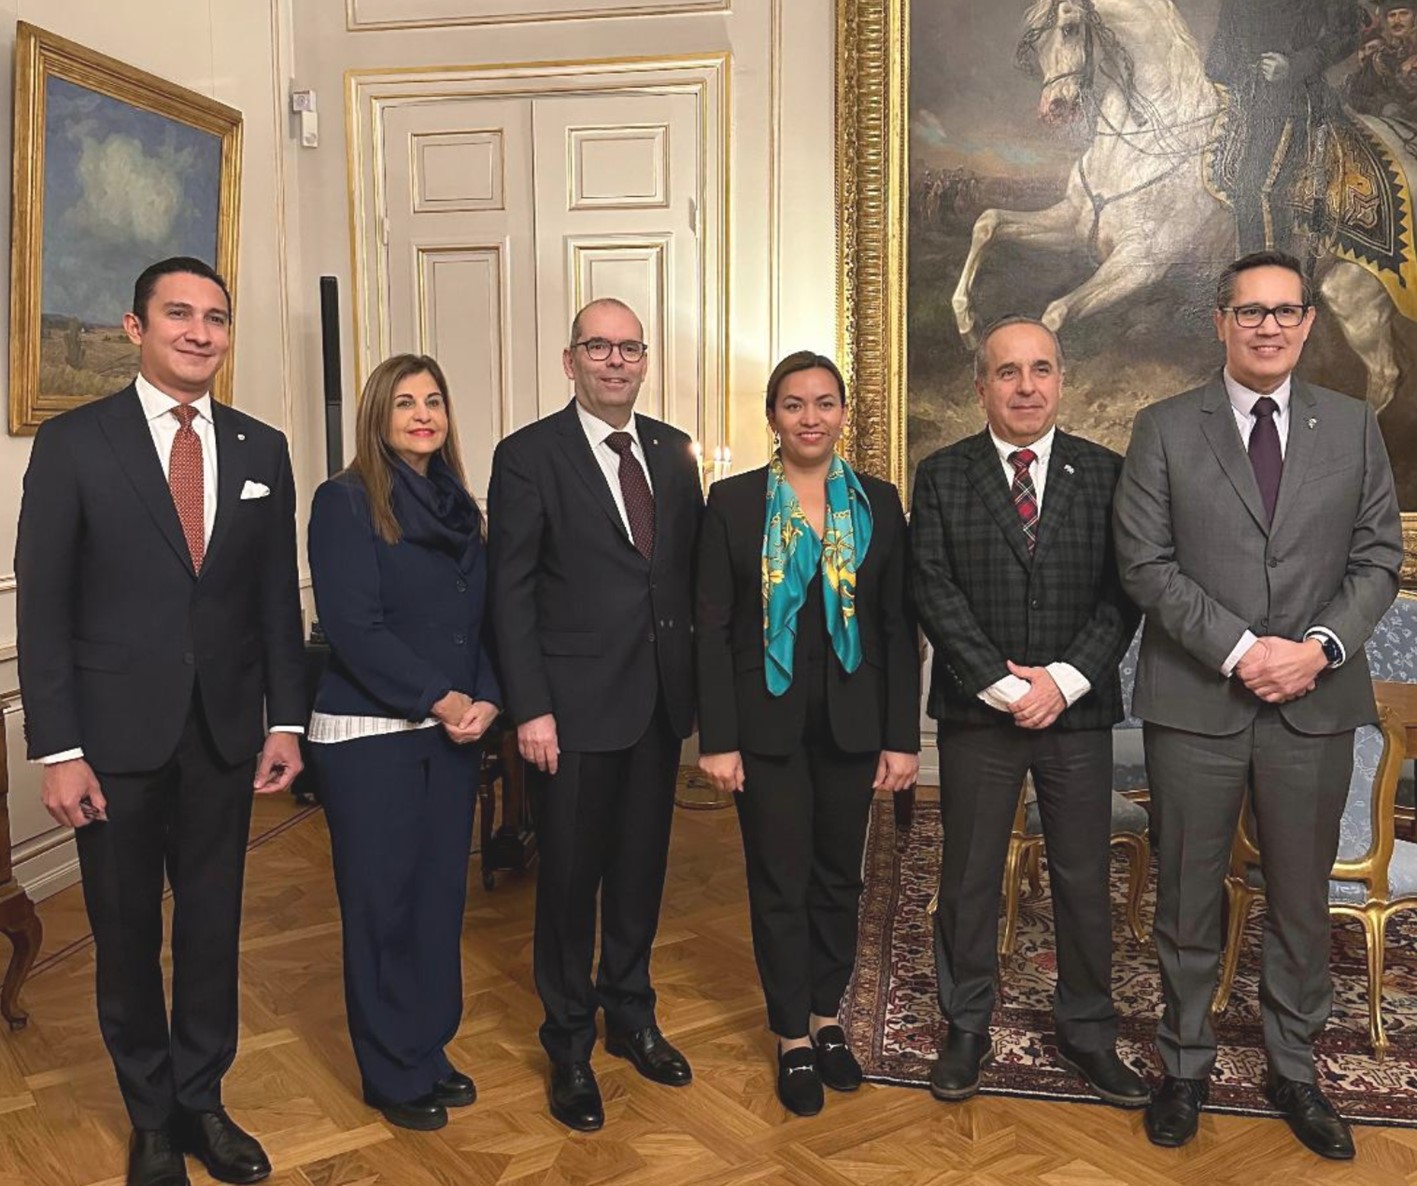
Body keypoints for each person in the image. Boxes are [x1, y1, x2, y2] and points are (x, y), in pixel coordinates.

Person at [15, 258, 306, 1186]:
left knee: (214, 931)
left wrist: (287, 721)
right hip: (112, 744)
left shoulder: (262, 447)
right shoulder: (74, 444)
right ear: (135, 328)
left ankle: (203, 1103)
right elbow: (43, 609)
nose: (199, 331)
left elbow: (271, 604)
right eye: (178, 314)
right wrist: (58, 750)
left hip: (224, 736)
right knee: (128, 931)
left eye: (216, 317)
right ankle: (149, 1116)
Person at [1113, 250, 1403, 1159]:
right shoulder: (1162, 427)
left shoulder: (1354, 427)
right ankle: (1184, 1065)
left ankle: (1294, 1068)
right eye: (1250, 312)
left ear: (1309, 323)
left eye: (1285, 311)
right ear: (1220, 322)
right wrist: (1244, 652)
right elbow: (1145, 564)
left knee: (1298, 900)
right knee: (1188, 896)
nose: (1268, 326)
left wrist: (1313, 650)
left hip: (1312, 705)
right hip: (1196, 701)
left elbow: (1377, 560)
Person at [910, 316, 1147, 1112]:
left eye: (1040, 369)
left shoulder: (1107, 473)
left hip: (1077, 715)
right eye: (1007, 372)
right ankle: (965, 1025)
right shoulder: (941, 475)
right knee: (969, 876)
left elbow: (1123, 593)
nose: (1025, 386)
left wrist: (1066, 680)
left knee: (1083, 878)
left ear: (1060, 379)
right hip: (980, 715)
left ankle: (1086, 1030)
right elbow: (931, 588)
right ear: (980, 386)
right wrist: (1008, 687)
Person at [487, 297, 703, 1131]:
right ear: (568, 359)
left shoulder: (673, 453)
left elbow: (678, 580)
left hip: (655, 706)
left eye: (628, 348)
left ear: (643, 360)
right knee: (569, 884)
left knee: (642, 872)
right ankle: (569, 1044)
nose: (615, 361)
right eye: (597, 347)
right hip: (568, 714)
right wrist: (529, 709)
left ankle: (632, 1016)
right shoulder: (528, 456)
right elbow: (509, 592)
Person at [694, 352, 920, 1117]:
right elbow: (712, 631)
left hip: (854, 728)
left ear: (843, 413)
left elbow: (895, 629)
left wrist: (902, 738)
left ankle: (829, 1019)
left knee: (839, 880)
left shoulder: (880, 504)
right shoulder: (729, 505)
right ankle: (790, 1034)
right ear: (773, 417)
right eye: (794, 404)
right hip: (764, 728)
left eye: (825, 403)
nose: (811, 417)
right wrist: (715, 740)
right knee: (779, 881)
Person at [306, 355, 500, 1132]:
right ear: (378, 415)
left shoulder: (460, 506)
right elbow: (354, 630)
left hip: (451, 736)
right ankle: (389, 1072)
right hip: (371, 741)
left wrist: (487, 696)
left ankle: (426, 1047)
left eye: (434, 401)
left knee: (435, 904)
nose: (422, 414)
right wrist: (443, 696)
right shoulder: (344, 502)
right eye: (405, 402)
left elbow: (475, 623)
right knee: (382, 908)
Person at [1206, 0, 1361, 252]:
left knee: (1255, 188)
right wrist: (1224, 72)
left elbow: (1348, 33)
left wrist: (1294, 65)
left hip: (1293, 100)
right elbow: (1221, 51)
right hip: (1242, 100)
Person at [1345, 0, 1417, 118]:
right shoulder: (1380, 59)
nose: (1397, 20)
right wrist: (1382, 107)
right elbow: (1355, 95)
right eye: (1392, 15)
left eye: (1404, 14)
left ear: (1415, 17)